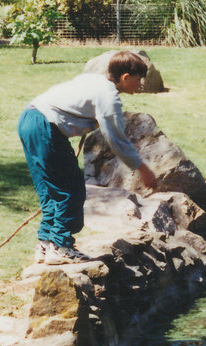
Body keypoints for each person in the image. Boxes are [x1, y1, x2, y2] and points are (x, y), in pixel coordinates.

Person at [18, 50, 158, 265]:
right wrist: (143, 169)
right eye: (139, 79)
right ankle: (60, 246)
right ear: (125, 77)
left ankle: (46, 245)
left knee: (52, 189)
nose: (141, 84)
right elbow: (117, 140)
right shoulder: (109, 96)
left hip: (29, 119)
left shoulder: (95, 81)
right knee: (70, 189)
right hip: (45, 127)